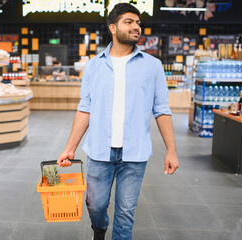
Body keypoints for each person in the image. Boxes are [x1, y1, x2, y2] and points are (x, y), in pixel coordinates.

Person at [57, 3, 179, 240]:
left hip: (135, 154)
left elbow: (162, 110)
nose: (136, 27)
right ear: (113, 28)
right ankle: (99, 229)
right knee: (96, 206)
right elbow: (85, 109)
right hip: (99, 152)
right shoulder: (93, 66)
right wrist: (69, 148)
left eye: (138, 23)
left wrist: (172, 151)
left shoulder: (153, 66)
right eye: (129, 22)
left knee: (125, 212)